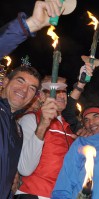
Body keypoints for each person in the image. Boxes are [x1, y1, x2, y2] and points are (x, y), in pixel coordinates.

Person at [15, 75, 75, 199]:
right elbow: (24, 168)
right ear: (42, 97)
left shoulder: (68, 129)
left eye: (63, 91)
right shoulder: (31, 119)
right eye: (55, 90)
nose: (61, 95)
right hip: (34, 194)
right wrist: (42, 126)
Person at [0, 66, 41, 198]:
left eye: (32, 88)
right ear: (5, 82)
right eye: (20, 81)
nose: (24, 90)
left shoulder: (18, 130)